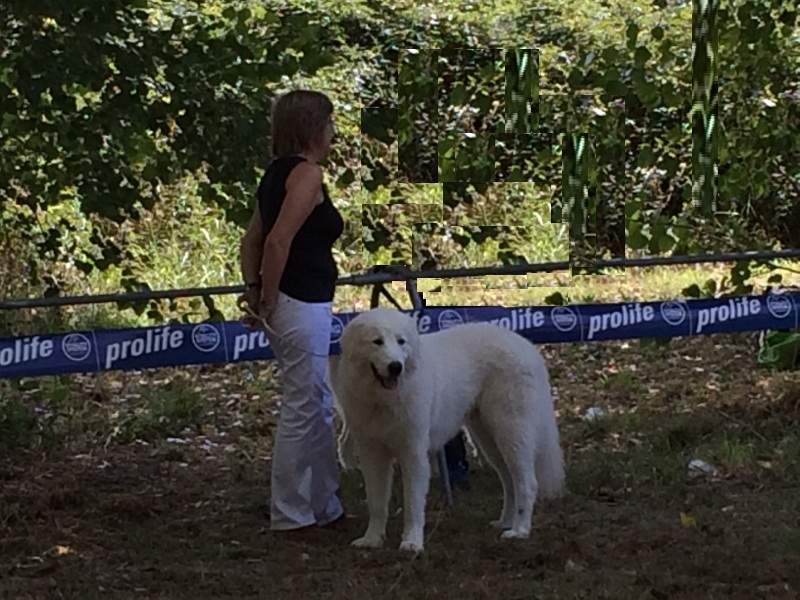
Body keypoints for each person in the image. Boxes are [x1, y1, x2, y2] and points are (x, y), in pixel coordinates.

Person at [238, 89, 345, 531]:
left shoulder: (274, 175)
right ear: (312, 127)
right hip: (299, 302)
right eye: (330, 123)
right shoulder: (306, 174)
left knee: (317, 401)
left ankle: (323, 503)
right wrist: (268, 297)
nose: (334, 132)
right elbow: (276, 241)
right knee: (303, 405)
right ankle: (288, 510)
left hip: (296, 302)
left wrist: (254, 290)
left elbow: (251, 240)